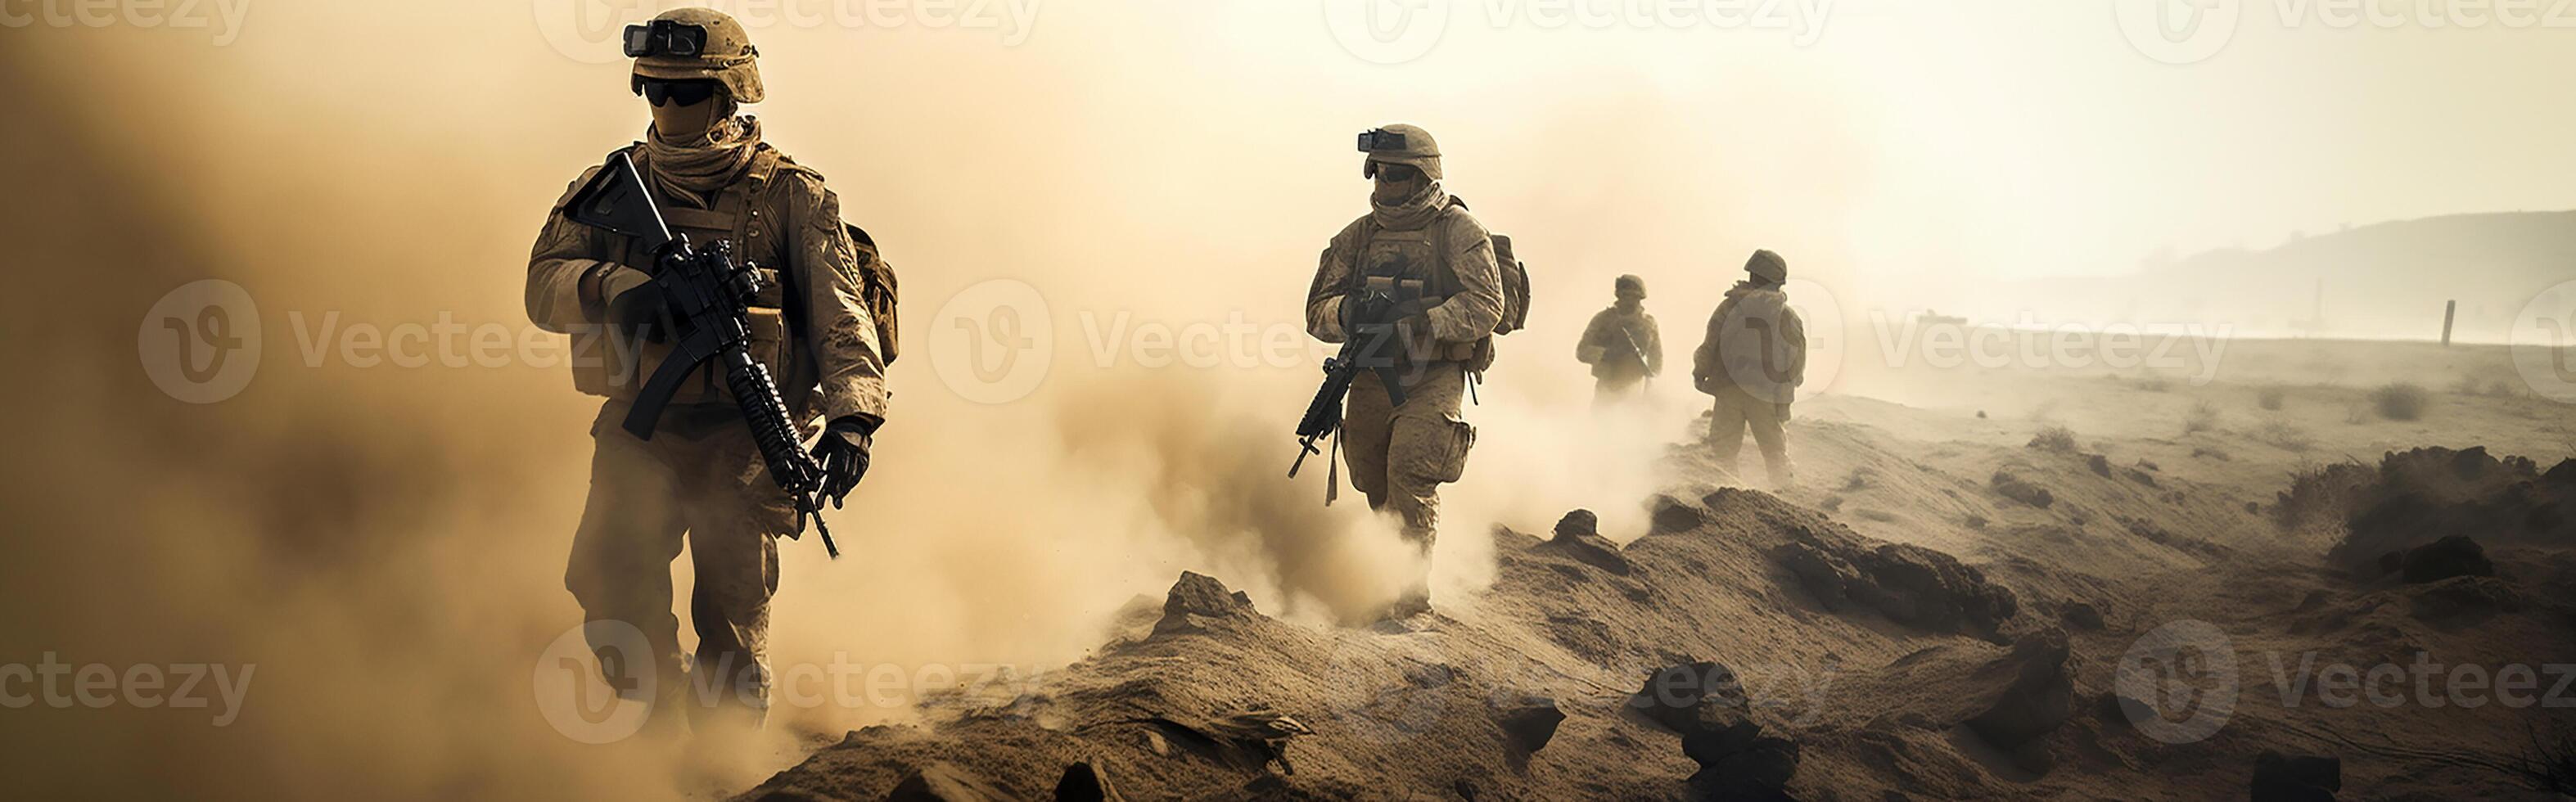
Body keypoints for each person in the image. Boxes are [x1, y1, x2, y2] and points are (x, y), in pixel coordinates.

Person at [523, 7, 891, 732]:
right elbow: (541, 285)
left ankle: (723, 767)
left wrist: (854, 418)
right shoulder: (610, 187)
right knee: (605, 577)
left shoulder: (792, 195)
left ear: (728, 96)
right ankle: (657, 728)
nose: (666, 108)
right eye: (651, 90)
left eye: (685, 94)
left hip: (747, 437)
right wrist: (616, 288)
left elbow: (840, 312)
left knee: (729, 612)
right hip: (641, 426)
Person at [1303, 124, 1505, 618]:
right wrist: (1352, 314)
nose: (1384, 184)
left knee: (1410, 471)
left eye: (1396, 175)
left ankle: (1411, 598)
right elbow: (1316, 313)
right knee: (1371, 478)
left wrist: (1421, 324)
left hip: (1433, 373)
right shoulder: (1358, 237)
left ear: (1422, 176)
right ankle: (1387, 573)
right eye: (1377, 173)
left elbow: (1486, 304)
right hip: (1372, 372)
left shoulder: (1457, 230)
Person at [1691, 250, 1804, 488]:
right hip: (1765, 391)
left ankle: (1728, 493)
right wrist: (1786, 395)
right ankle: (1784, 492)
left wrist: (1700, 372)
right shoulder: (1786, 315)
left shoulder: (1728, 307)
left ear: (1752, 275)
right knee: (1774, 450)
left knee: (1723, 450)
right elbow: (1795, 360)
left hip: (1728, 387)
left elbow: (1710, 344)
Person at [1576, 274, 1662, 406]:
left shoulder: (1648, 324)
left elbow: (1656, 362)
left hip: (1635, 389)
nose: (1629, 301)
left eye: (1634, 297)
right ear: (1619, 297)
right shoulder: (1603, 320)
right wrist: (1608, 354)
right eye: (1625, 296)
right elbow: (1582, 351)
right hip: (1607, 386)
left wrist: (1642, 369)